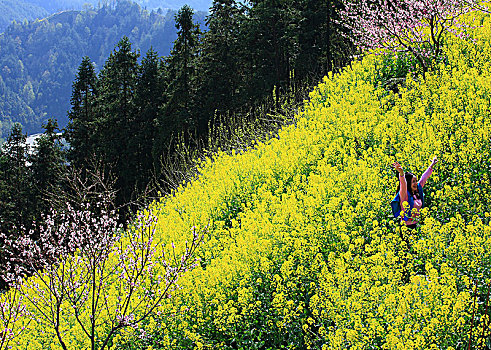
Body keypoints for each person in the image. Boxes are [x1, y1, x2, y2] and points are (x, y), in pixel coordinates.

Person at [391, 156, 438, 229]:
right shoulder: (404, 195)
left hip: (417, 225)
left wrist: (432, 165)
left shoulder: (417, 191)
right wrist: (401, 173)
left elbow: (423, 178)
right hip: (406, 226)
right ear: (408, 183)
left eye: (416, 181)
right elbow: (403, 184)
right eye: (413, 181)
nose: (416, 183)